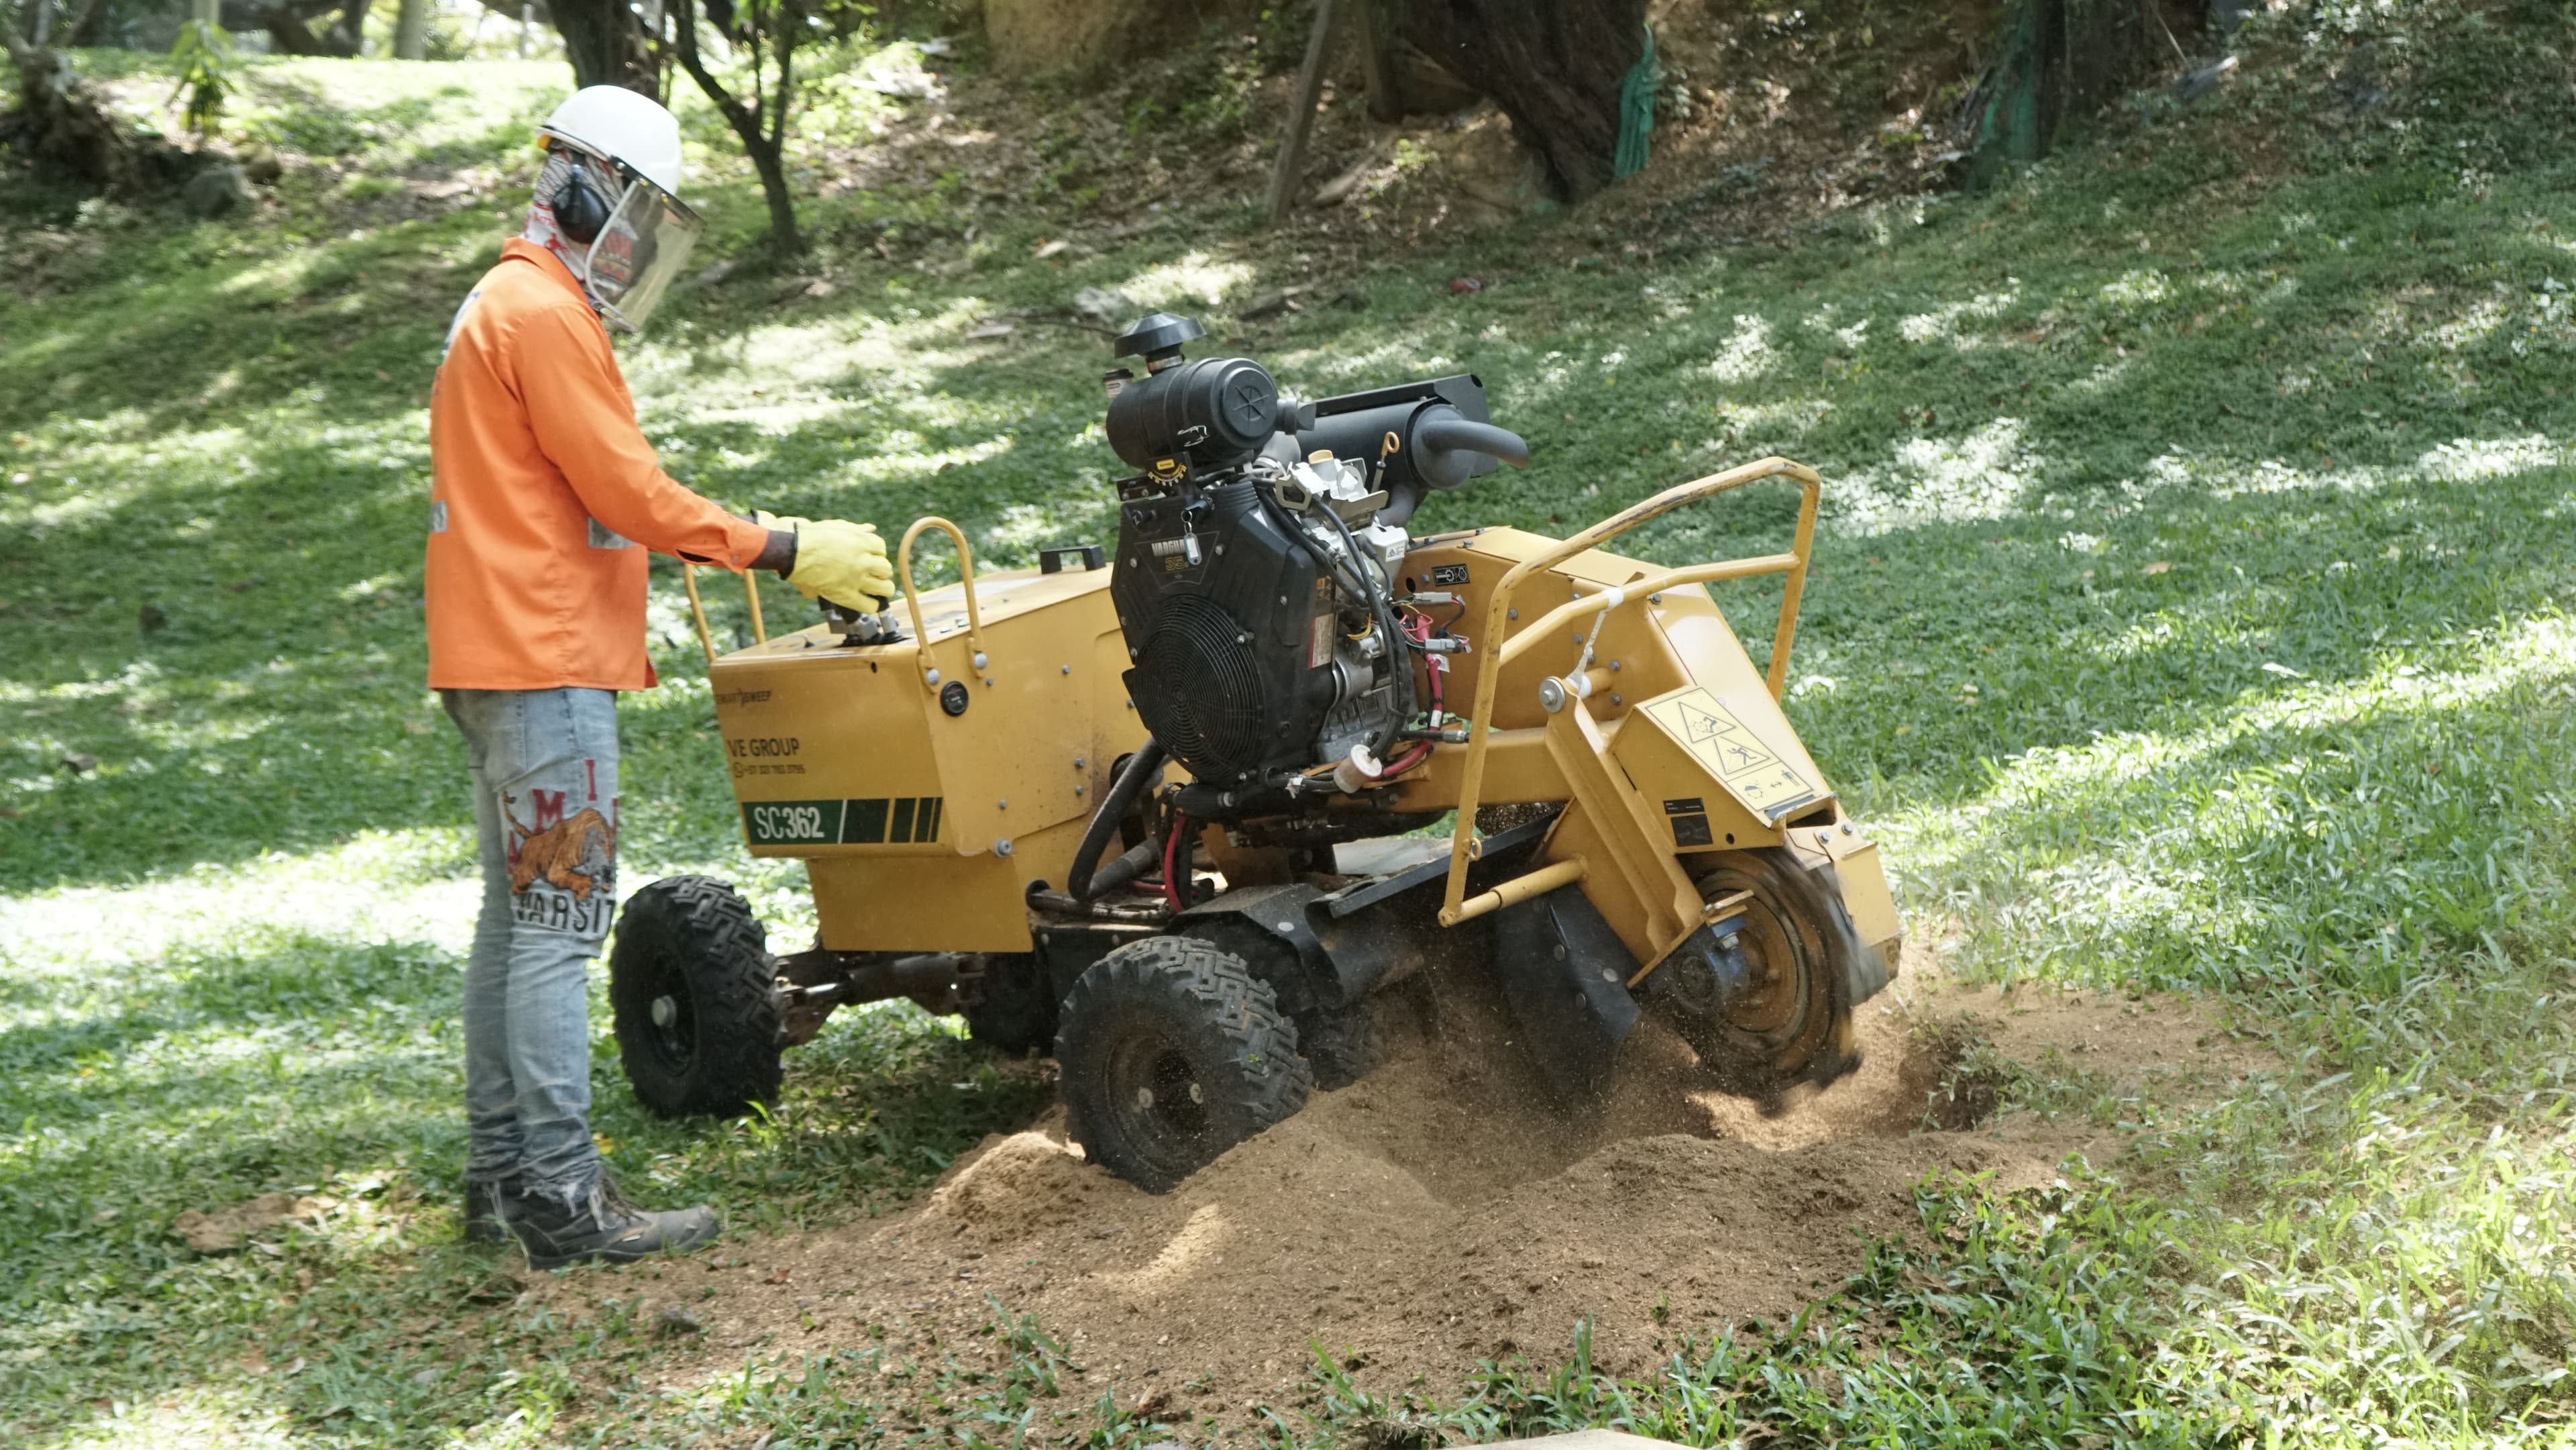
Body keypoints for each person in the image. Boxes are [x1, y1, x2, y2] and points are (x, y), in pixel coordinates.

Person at [424, 87, 892, 1270]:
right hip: (544, 661)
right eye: (635, 212)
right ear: (585, 187)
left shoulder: (502, 304)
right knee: (558, 930)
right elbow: (627, 493)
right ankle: (563, 1197)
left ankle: (500, 1177)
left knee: (516, 923)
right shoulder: (539, 313)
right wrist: (784, 546)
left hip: (496, 658)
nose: (637, 245)